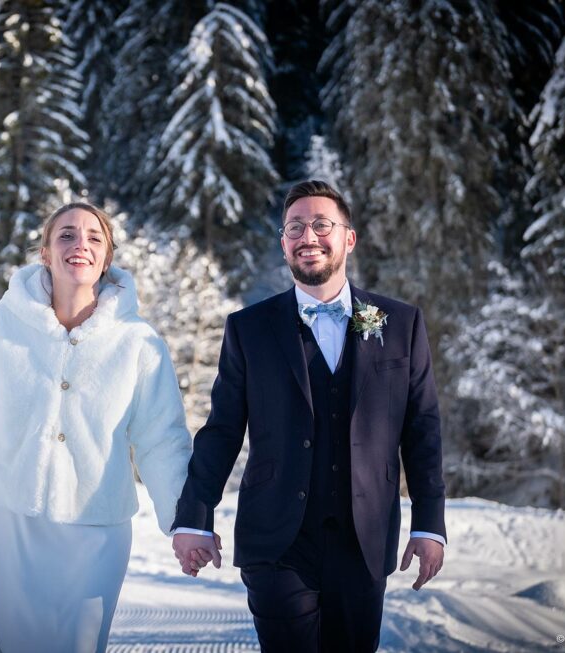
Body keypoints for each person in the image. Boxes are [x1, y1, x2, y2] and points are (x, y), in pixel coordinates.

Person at [171, 180, 447, 651]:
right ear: (283, 244)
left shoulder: (400, 324)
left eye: (322, 224)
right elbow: (220, 432)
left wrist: (429, 523)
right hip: (277, 542)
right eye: (295, 227)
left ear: (348, 238)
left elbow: (421, 429)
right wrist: (194, 518)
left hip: (365, 540)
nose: (308, 236)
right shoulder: (248, 329)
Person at [0, 202, 194, 653]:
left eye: (93, 237)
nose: (79, 245)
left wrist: (186, 521)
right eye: (66, 235)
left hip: (98, 531)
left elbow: (162, 440)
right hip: (14, 527)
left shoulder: (140, 342)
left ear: (107, 258)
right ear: (44, 253)